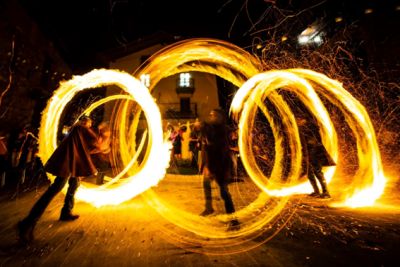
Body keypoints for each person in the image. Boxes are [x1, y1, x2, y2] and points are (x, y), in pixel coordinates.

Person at [16, 116, 99, 244]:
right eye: (89, 123)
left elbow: (85, 148)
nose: (90, 126)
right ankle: (27, 223)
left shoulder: (75, 131)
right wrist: (104, 135)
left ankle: (66, 211)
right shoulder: (80, 127)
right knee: (54, 189)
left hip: (70, 163)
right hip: (66, 164)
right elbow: (95, 140)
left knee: (74, 184)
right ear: (85, 122)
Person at [199, 109, 239, 230]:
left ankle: (234, 220)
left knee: (224, 192)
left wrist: (210, 166)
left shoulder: (222, 130)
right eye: (211, 114)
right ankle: (209, 207)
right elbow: (207, 142)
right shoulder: (213, 128)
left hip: (220, 165)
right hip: (212, 163)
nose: (211, 116)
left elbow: (215, 146)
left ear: (220, 117)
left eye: (214, 115)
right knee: (206, 183)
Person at [297, 117, 335, 198]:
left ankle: (326, 192)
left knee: (318, 172)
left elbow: (313, 142)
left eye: (298, 119)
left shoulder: (310, 130)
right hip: (308, 154)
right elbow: (303, 144)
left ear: (303, 120)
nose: (297, 121)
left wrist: (309, 154)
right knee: (309, 173)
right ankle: (316, 191)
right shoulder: (302, 130)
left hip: (315, 154)